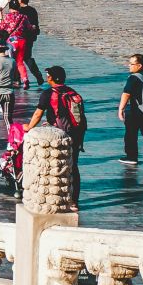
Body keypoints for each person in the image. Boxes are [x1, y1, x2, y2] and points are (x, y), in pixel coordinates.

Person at [28, 65, 87, 206]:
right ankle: (74, 200)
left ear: (51, 78)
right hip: (76, 134)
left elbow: (38, 113)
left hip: (58, 136)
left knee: (55, 165)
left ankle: (55, 197)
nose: (47, 77)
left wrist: (29, 127)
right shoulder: (72, 92)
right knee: (73, 167)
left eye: (48, 75)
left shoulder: (48, 93)